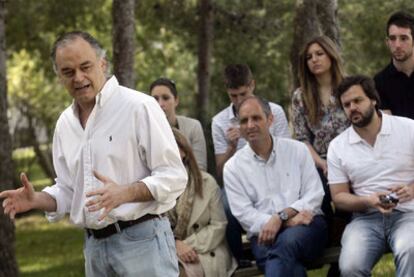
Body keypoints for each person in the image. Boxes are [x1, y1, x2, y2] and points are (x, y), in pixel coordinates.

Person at [0, 31, 187, 276]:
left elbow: (174, 176)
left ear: (102, 63)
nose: (78, 78)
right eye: (68, 72)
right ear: (59, 76)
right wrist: (38, 200)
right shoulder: (65, 124)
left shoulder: (139, 107)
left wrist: (126, 192)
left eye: (85, 67)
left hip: (143, 243)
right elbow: (69, 190)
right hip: (95, 250)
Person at [223, 95, 327, 276]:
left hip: (307, 227)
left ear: (270, 119)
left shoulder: (297, 150)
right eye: (244, 120)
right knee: (285, 263)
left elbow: (314, 195)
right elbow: (244, 214)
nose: (250, 125)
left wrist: (280, 217)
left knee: (279, 251)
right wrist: (284, 222)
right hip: (264, 234)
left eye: (256, 118)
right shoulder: (233, 168)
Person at [327, 75, 414, 276]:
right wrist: (368, 200)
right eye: (346, 104)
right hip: (365, 219)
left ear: (373, 99)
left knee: (411, 250)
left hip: (408, 214)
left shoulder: (408, 128)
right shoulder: (338, 147)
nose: (352, 108)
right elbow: (338, 197)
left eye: (357, 100)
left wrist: (410, 189)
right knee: (350, 267)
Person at [211, 64, 290, 267]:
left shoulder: (275, 112)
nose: (239, 101)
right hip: (239, 181)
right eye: (233, 96)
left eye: (243, 94)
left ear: (252, 85)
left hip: (274, 174)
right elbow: (221, 173)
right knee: (224, 206)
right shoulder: (219, 122)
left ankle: (284, 243)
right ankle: (239, 260)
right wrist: (231, 145)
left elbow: (286, 154)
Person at [169, 128, 236, 277]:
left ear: (184, 152)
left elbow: (219, 225)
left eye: (174, 147)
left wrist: (186, 245)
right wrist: (175, 245)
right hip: (170, 250)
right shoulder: (156, 188)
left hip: (205, 250)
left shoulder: (207, 183)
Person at [150, 78, 207, 170]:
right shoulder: (145, 130)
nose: (160, 104)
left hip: (190, 182)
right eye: (155, 99)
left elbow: (200, 168)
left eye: (165, 98)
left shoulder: (193, 127)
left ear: (176, 100)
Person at [374, 11, 414, 119]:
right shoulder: (379, 82)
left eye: (404, 38)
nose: (397, 45)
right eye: (392, 39)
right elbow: (389, 125)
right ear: (387, 42)